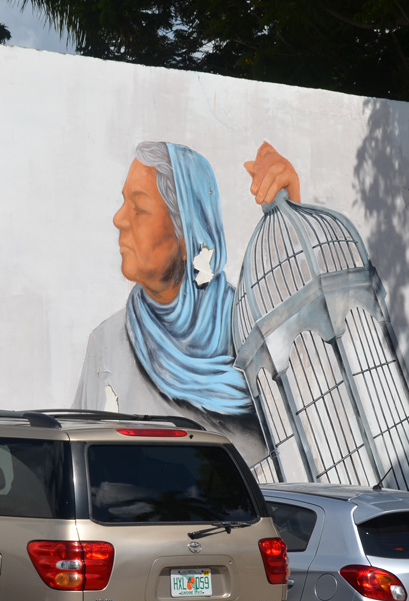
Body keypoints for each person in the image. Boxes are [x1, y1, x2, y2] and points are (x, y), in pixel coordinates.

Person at [73, 141, 298, 466]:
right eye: (124, 203)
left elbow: (303, 428)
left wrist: (292, 210)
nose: (119, 219)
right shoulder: (106, 343)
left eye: (139, 208)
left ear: (187, 233)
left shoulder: (248, 330)